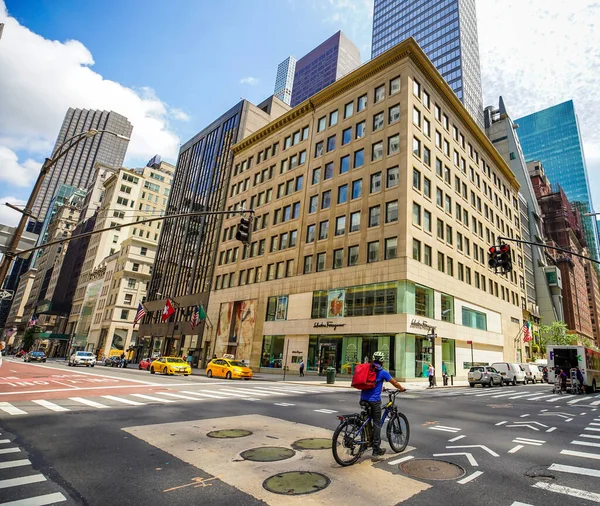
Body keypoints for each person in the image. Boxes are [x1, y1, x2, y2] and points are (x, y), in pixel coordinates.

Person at [360, 350, 406, 458]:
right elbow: (394, 382)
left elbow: (371, 382)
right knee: (377, 424)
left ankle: (366, 442)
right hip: (374, 401)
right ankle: (376, 450)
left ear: (372, 359)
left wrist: (381, 387)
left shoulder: (368, 369)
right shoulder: (382, 372)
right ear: (382, 361)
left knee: (367, 420)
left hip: (363, 399)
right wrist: (402, 388)